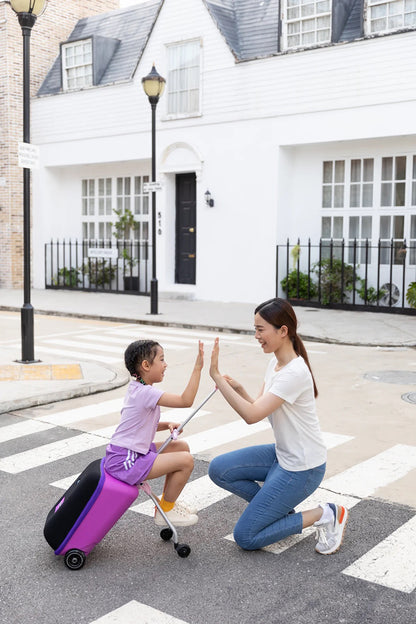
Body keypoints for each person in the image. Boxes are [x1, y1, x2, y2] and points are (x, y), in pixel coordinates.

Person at [208, 298, 348, 555]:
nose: (256, 336)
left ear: (283, 331)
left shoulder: (294, 373)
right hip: (282, 455)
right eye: (255, 329)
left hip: (303, 467)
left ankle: (326, 514)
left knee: (246, 536)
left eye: (261, 329)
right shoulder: (275, 362)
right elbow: (260, 408)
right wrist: (239, 389)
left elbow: (251, 416)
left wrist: (217, 377)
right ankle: (278, 510)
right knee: (219, 469)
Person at [104, 339, 204, 527]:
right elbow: (186, 400)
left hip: (128, 452)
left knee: (180, 446)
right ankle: (165, 510)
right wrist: (198, 368)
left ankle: (166, 505)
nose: (166, 365)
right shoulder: (145, 393)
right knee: (186, 460)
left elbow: (140, 423)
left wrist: (167, 425)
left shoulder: (139, 388)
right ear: (146, 365)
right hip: (125, 461)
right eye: (162, 359)